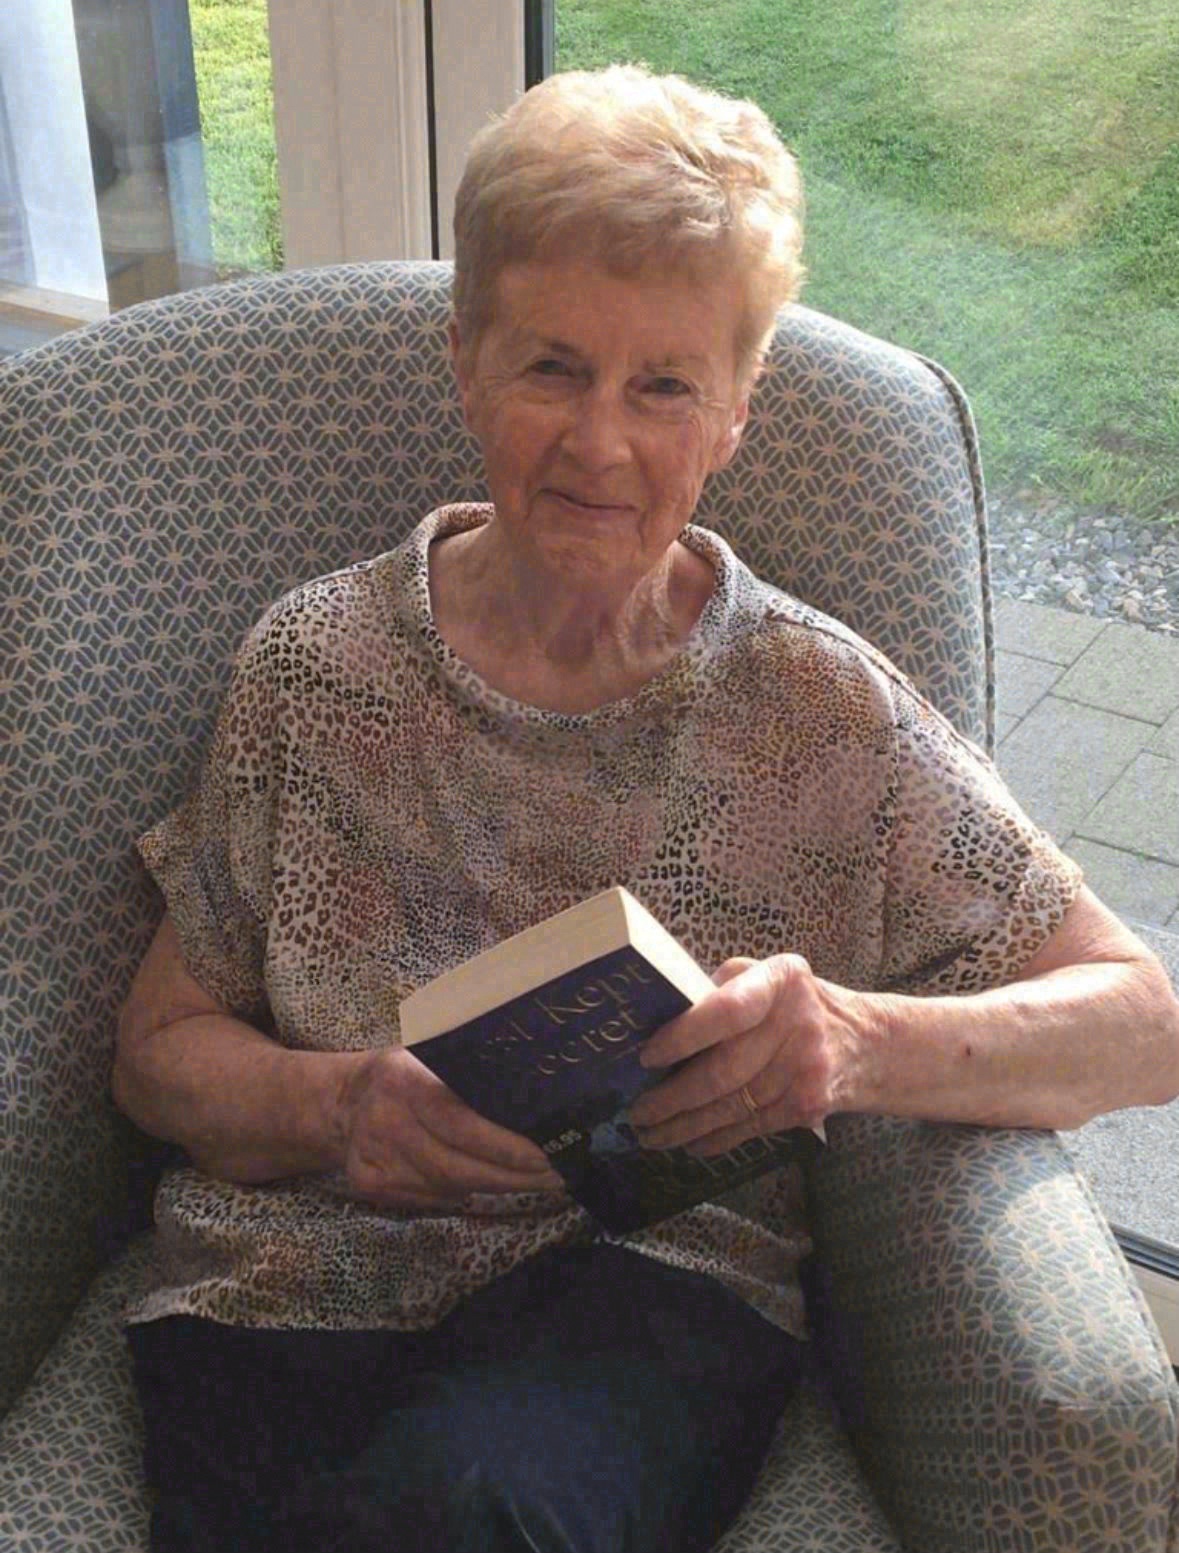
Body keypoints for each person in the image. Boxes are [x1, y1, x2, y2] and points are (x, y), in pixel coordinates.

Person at [114, 63, 1179, 1553]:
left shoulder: (816, 707)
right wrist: (336, 1107)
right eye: (552, 368)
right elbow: (158, 1052)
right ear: (465, 362)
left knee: (465, 1514)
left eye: (663, 386)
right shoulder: (315, 665)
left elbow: (1142, 1019)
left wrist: (855, 1041)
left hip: (639, 1298)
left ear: (736, 412)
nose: (600, 445)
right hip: (282, 1300)